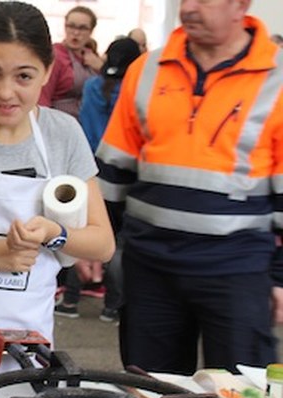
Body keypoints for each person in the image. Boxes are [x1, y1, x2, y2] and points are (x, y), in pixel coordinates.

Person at [0, 1, 115, 381]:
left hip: (30, 331)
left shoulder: (63, 135)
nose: (6, 92)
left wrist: (54, 234)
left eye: (24, 77)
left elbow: (102, 244)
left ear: (48, 71)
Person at [97, 0, 283, 374]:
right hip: (150, 267)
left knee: (240, 397)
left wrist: (280, 277)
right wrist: (96, 240)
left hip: (235, 269)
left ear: (240, 5)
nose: (190, 8)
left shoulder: (276, 78)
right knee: (152, 397)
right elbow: (115, 167)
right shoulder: (147, 68)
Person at [54, 37, 141, 322]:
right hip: (121, 173)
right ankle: (112, 306)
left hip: (86, 167)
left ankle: (70, 300)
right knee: (116, 242)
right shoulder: (132, 91)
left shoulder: (92, 86)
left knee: (80, 235)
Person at [39, 5, 102, 119]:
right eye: (71, 26)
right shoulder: (55, 56)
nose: (76, 32)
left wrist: (102, 68)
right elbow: (43, 98)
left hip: (87, 124)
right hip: (58, 121)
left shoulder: (92, 57)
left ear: (91, 31)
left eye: (82, 28)